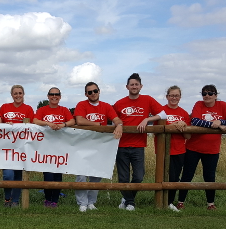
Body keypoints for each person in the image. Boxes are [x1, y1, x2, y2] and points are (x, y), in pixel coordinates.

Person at [113, 73, 166, 211]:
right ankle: (130, 202)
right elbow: (112, 118)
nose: (134, 87)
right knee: (123, 177)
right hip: (121, 145)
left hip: (139, 145)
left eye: (137, 84)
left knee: (139, 176)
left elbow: (163, 113)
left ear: (141, 86)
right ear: (127, 87)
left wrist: (147, 119)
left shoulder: (147, 100)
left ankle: (126, 199)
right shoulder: (119, 103)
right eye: (132, 84)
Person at [177, 84, 226, 210]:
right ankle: (180, 202)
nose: (207, 96)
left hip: (212, 149)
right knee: (187, 175)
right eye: (204, 93)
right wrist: (214, 124)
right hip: (193, 147)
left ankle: (210, 204)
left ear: (216, 95)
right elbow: (195, 121)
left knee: (209, 177)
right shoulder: (198, 104)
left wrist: (221, 122)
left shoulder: (223, 105)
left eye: (210, 93)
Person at [73, 82, 123, 212]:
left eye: (95, 91)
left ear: (99, 91)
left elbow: (116, 119)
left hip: (99, 146)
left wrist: (119, 125)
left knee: (96, 175)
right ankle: (82, 203)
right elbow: (80, 120)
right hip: (83, 145)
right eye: (90, 92)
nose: (93, 94)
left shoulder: (106, 106)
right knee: (82, 176)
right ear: (86, 94)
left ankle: (91, 202)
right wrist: (97, 124)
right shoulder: (82, 105)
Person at [33, 87, 75, 208]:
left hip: (60, 148)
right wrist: (47, 123)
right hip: (45, 148)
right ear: (48, 96)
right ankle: (47, 199)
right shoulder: (42, 109)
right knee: (48, 175)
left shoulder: (64, 110)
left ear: (60, 96)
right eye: (52, 94)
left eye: (57, 94)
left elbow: (72, 121)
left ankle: (55, 201)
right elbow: (35, 120)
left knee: (58, 175)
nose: (54, 96)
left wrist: (64, 124)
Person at [154, 86, 190, 212]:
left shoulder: (184, 113)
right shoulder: (161, 111)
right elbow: (155, 130)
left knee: (174, 178)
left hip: (179, 149)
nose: (174, 98)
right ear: (167, 96)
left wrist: (184, 125)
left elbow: (188, 135)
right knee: (162, 177)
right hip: (163, 150)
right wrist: (174, 125)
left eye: (176, 95)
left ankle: (169, 202)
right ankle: (160, 202)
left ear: (180, 97)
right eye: (171, 95)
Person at [0, 85, 35, 208]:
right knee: (8, 175)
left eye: (20, 93)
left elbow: (32, 127)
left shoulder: (28, 109)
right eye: (15, 93)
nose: (18, 95)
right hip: (7, 147)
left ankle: (15, 201)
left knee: (18, 176)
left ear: (23, 94)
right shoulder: (4, 107)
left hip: (21, 148)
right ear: (12, 95)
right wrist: (6, 124)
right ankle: (7, 199)